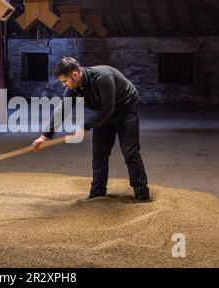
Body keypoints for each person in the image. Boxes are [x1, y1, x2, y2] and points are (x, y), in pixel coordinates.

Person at [32, 57, 151, 202]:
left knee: (130, 151)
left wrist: (84, 127)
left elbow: (107, 110)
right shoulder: (73, 87)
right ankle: (98, 192)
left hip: (125, 109)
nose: (64, 85)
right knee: (99, 153)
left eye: (65, 81)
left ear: (75, 75)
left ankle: (142, 193)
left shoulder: (103, 78)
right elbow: (63, 109)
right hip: (103, 113)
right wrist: (45, 135)